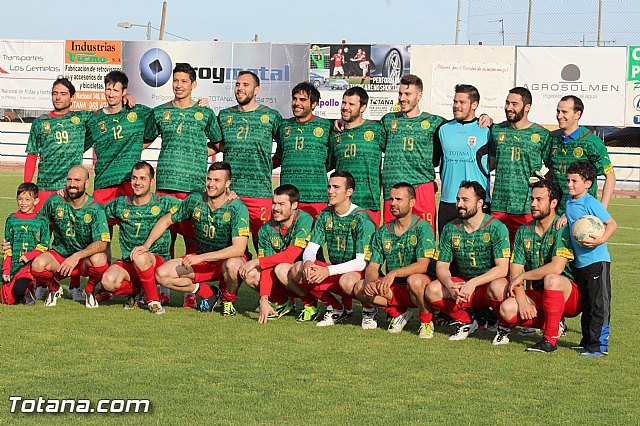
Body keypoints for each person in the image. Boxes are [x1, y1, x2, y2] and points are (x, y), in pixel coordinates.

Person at [144, 62, 221, 308]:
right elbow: (143, 142)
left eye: (184, 81)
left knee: (192, 242)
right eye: (175, 80)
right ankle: (164, 288)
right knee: (164, 240)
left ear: (193, 84)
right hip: (165, 185)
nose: (178, 85)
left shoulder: (205, 113)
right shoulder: (159, 112)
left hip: (193, 188)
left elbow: (219, 145)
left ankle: (191, 291)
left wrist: (199, 152)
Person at [137, 162, 250, 316]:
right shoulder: (195, 199)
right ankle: (208, 293)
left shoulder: (237, 207)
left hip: (227, 260)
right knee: (162, 275)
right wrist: (147, 245)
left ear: (227, 183)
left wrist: (200, 257)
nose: (211, 184)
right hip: (203, 260)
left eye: (217, 180)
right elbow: (166, 220)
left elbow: (238, 249)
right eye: (209, 179)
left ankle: (228, 301)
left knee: (233, 265)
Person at [486, 178, 579, 352]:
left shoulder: (562, 227)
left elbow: (557, 267)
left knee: (552, 279)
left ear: (553, 203)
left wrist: (524, 276)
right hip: (540, 294)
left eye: (539, 200)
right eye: (532, 199)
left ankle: (549, 340)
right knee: (504, 302)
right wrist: (521, 299)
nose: (533, 204)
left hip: (569, 294)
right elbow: (515, 270)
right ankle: (551, 324)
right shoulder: (523, 231)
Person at [282, 171, 376, 325]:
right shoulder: (325, 215)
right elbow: (311, 248)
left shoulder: (362, 218)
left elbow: (362, 262)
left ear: (349, 192)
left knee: (347, 280)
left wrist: (328, 271)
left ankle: (369, 311)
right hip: (336, 270)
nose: (330, 191)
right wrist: (308, 263)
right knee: (297, 269)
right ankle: (336, 308)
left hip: (360, 274)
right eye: (329, 186)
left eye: (336, 187)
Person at [425, 181, 510, 340]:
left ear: (480, 203)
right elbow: (442, 266)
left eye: (465, 200)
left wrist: (474, 283)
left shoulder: (496, 228)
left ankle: (502, 327)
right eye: (458, 200)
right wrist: (449, 284)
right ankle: (465, 321)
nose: (459, 204)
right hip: (463, 286)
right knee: (432, 290)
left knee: (499, 287)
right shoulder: (450, 228)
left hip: (486, 286)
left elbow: (502, 268)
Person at [352, 182, 436, 335]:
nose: (393, 203)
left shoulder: (422, 227)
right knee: (360, 287)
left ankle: (426, 321)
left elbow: (422, 266)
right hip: (394, 288)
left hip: (419, 288)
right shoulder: (384, 230)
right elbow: (373, 266)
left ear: (412, 202)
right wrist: (370, 281)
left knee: (415, 280)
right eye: (391, 199)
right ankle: (398, 314)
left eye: (399, 199)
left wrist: (393, 273)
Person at [101, 162, 180, 314]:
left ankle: (153, 302)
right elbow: (94, 212)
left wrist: (228, 195)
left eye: (143, 178)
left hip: (157, 261)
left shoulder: (164, 202)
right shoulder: (120, 204)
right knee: (108, 282)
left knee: (141, 257)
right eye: (134, 178)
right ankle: (137, 290)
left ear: (152, 181)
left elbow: (193, 206)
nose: (137, 183)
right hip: (129, 261)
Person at [216, 71, 283, 247]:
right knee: (230, 248)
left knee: (263, 245)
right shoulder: (224, 116)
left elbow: (284, 148)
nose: (240, 88)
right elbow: (217, 144)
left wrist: (266, 166)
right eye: (238, 85)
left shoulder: (272, 116)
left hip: (260, 193)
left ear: (257, 90)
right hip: (231, 194)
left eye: (245, 85)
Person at [30, 166, 110, 308]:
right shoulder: (55, 201)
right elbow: (38, 224)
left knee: (100, 259)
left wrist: (77, 256)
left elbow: (102, 243)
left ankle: (89, 291)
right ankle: (54, 288)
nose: (72, 184)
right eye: (69, 179)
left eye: (77, 180)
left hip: (83, 261)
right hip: (59, 257)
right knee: (37, 264)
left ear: (86, 184)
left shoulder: (95, 208)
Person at [239, 184, 314, 324]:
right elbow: (266, 265)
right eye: (274, 203)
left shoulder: (305, 220)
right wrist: (264, 298)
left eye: (281, 204)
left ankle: (311, 304)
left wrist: (256, 261)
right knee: (250, 274)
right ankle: (281, 302)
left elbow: (290, 256)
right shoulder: (265, 229)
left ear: (294, 205)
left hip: (306, 274)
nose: (275, 208)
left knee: (281, 268)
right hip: (284, 276)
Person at [381, 74, 446, 232]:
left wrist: (484, 118)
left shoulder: (435, 122)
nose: (402, 98)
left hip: (421, 187)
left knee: (425, 236)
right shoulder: (388, 120)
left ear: (419, 95)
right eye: (400, 93)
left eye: (407, 94)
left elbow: (461, 125)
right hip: (393, 188)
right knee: (392, 237)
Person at [565, 160, 617, 357]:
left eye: (574, 181)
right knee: (586, 303)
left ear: (588, 183)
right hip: (580, 262)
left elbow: (611, 224)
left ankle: (599, 346)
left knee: (598, 304)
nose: (569, 184)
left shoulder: (591, 203)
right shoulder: (570, 202)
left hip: (597, 260)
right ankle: (587, 341)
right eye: (568, 180)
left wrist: (600, 239)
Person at [490, 87, 552, 242]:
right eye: (507, 103)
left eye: (514, 104)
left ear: (527, 107)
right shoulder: (496, 130)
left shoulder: (542, 134)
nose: (508, 108)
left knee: (524, 257)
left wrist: (542, 184)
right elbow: (489, 162)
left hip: (526, 208)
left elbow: (553, 168)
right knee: (498, 256)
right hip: (498, 205)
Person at [85, 71, 153, 206]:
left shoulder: (138, 112)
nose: (111, 94)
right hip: (104, 181)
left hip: (128, 181)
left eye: (116, 90)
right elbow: (79, 146)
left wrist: (137, 146)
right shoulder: (94, 119)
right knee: (101, 224)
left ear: (124, 91)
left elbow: (157, 124)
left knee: (129, 225)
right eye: (108, 89)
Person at [24, 78, 91, 209]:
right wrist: (27, 186)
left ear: (72, 96)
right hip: (45, 187)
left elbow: (108, 114)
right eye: (55, 93)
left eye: (63, 93)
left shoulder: (83, 118)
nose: (58, 97)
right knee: (43, 228)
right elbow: (32, 155)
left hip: (71, 189)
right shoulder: (39, 122)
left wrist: (125, 97)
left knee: (70, 229)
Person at [435, 84, 491, 234]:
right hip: (448, 201)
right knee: (447, 253)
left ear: (474, 105)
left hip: (477, 203)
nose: (456, 106)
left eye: (461, 102)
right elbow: (434, 160)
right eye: (455, 101)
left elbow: (494, 161)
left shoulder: (487, 129)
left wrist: (488, 117)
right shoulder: (442, 129)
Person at [548, 95, 615, 214]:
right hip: (555, 211)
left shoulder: (591, 142)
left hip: (581, 212)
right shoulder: (554, 140)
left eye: (564, 112)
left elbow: (610, 176)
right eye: (558, 111)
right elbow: (553, 171)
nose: (559, 116)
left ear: (577, 114)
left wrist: (601, 209)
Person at [273, 82, 331, 218]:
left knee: (315, 239)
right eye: (294, 98)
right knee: (288, 238)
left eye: (303, 100)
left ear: (314, 104)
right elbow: (280, 156)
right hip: (288, 198)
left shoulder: (326, 126)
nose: (297, 103)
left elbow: (332, 159)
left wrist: (315, 171)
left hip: (315, 197)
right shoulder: (284, 126)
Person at [330, 87, 385, 225]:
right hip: (342, 204)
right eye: (343, 103)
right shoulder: (335, 133)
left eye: (351, 104)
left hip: (368, 202)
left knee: (368, 246)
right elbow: (328, 164)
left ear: (363, 107)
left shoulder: (377, 129)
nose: (345, 107)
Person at [2, 183, 50, 305]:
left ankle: (28, 291)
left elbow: (45, 245)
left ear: (36, 200)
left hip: (29, 266)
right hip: (14, 265)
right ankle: (20, 292)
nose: (23, 203)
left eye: (27, 199)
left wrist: (29, 256)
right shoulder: (11, 219)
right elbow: (8, 247)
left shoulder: (42, 221)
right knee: (6, 300)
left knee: (18, 288)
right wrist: (6, 269)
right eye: (20, 199)